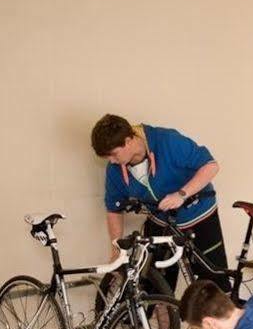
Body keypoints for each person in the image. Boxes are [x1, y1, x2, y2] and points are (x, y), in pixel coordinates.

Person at [90, 114, 230, 292]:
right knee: (154, 285)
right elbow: (114, 209)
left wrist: (181, 194)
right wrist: (116, 250)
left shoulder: (167, 141)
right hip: (161, 219)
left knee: (212, 282)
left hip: (198, 213)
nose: (111, 160)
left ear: (128, 141)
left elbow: (211, 166)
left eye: (114, 154)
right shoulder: (114, 170)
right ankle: (163, 315)